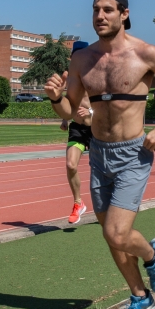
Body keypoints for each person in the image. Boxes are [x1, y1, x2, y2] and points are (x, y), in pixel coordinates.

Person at [45, 0, 155, 309]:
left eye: (108, 10)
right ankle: (140, 297)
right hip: (98, 153)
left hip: (133, 154)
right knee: (110, 235)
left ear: (124, 14)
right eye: (96, 9)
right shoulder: (82, 60)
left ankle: (152, 255)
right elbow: (69, 109)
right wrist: (55, 98)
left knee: (116, 232)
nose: (100, 16)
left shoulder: (145, 53)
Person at [64, 39, 94, 224]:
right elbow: (69, 101)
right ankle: (78, 203)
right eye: (76, 56)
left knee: (105, 170)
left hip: (96, 127)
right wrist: (65, 118)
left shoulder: (96, 76)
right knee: (70, 165)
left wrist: (90, 111)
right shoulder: (70, 78)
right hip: (77, 128)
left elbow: (107, 104)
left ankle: (110, 203)